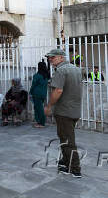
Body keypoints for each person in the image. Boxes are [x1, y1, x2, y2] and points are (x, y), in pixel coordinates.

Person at [44, 49, 83, 178]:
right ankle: (66, 162)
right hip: (74, 110)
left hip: (64, 111)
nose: (50, 59)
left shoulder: (61, 70)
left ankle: (75, 168)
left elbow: (58, 90)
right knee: (65, 138)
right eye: (49, 58)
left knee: (67, 140)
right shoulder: (76, 69)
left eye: (53, 57)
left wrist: (49, 106)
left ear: (61, 58)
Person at [30, 61, 49, 128]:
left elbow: (33, 85)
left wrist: (30, 92)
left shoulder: (37, 76)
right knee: (39, 108)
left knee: (39, 109)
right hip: (43, 94)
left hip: (36, 94)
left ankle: (41, 123)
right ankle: (39, 122)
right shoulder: (46, 76)